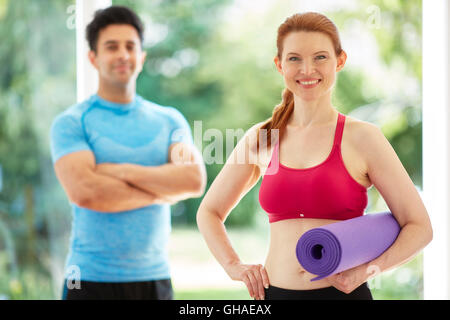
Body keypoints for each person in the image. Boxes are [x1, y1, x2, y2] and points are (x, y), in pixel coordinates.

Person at [196, 12, 432, 300]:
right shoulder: (262, 137)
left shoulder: (364, 138)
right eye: (294, 58)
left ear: (340, 61)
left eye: (320, 57)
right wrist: (234, 266)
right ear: (279, 65)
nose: (307, 69)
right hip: (274, 296)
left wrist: (368, 271)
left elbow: (419, 227)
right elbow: (209, 212)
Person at [50, 6, 206, 300]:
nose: (123, 54)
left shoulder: (170, 120)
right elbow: (87, 193)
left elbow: (193, 180)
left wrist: (117, 171)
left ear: (142, 57)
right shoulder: (71, 123)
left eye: (130, 46)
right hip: (87, 278)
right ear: (92, 58)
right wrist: (163, 190)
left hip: (154, 277)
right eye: (112, 47)